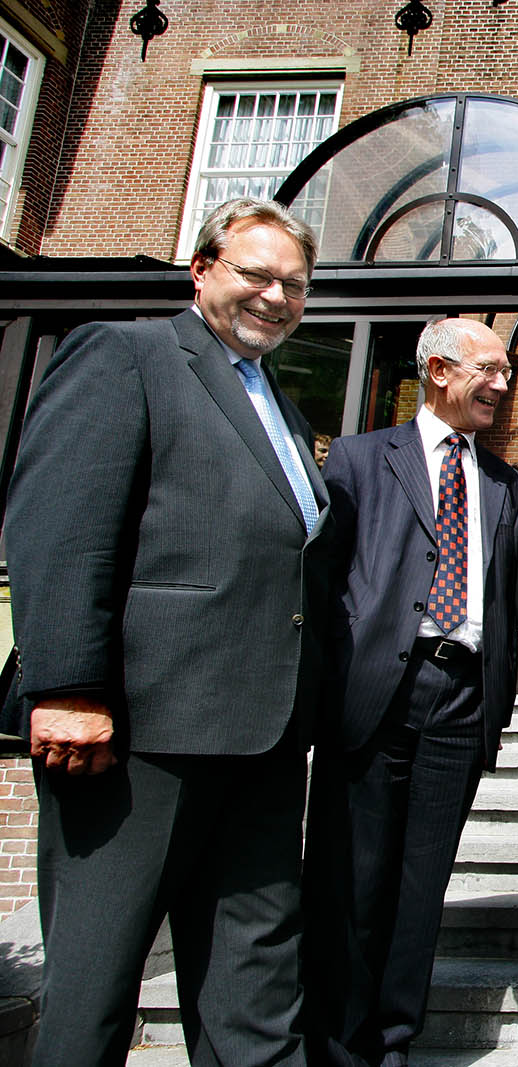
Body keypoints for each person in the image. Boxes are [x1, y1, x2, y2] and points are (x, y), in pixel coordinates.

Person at [6, 196, 331, 1065]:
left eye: (294, 284)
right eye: (255, 273)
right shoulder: (126, 354)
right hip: (138, 734)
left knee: (256, 989)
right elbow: (63, 524)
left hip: (259, 740)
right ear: (201, 269)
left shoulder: (281, 407)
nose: (275, 296)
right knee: (97, 983)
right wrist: (69, 688)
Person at [302, 318, 518, 1067]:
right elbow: (323, 581)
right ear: (438, 369)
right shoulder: (361, 460)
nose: (503, 383)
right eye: (490, 369)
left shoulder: (506, 484)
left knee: (421, 885)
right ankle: (339, 1041)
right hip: (375, 695)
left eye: (508, 369)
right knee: (352, 882)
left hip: (462, 698)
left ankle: (396, 1039)